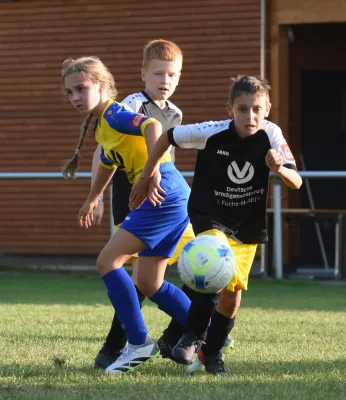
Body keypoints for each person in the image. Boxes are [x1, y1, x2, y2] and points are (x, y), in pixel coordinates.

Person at [130, 75, 303, 375]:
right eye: (242, 109)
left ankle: (211, 353)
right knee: (213, 265)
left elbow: (297, 182)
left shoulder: (272, 135)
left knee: (232, 297)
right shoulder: (211, 132)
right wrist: (147, 175)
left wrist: (279, 170)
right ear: (229, 109)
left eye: (257, 110)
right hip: (209, 215)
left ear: (268, 110)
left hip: (246, 223)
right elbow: (166, 137)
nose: (250, 116)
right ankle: (192, 334)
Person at [61, 55, 193, 375]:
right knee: (148, 281)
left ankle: (137, 343)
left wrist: (149, 174)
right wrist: (93, 198)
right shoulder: (102, 125)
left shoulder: (116, 113)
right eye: (70, 92)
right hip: (173, 195)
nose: (75, 97)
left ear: (102, 86)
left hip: (161, 194)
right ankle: (210, 331)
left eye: (81, 89)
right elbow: (108, 161)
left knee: (108, 261)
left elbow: (152, 125)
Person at [89, 39, 204, 370]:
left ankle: (192, 333)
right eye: (158, 73)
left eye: (172, 74)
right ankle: (118, 345)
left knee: (153, 277)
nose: (165, 81)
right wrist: (94, 196)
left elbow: (165, 156)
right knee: (133, 276)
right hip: (134, 197)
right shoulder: (131, 105)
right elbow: (105, 152)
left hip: (164, 197)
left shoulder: (175, 112)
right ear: (143, 74)